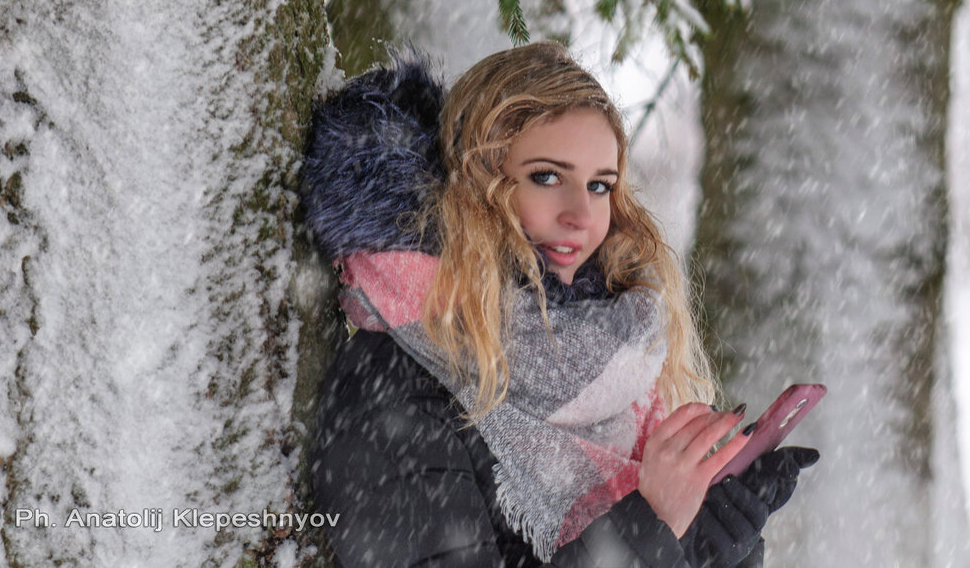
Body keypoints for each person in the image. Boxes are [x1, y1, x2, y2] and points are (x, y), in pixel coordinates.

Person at [304, 42, 818, 567]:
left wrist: (713, 539)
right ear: (476, 182)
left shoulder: (615, 361)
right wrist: (651, 521)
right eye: (547, 177)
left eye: (599, 185)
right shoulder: (394, 376)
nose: (580, 214)